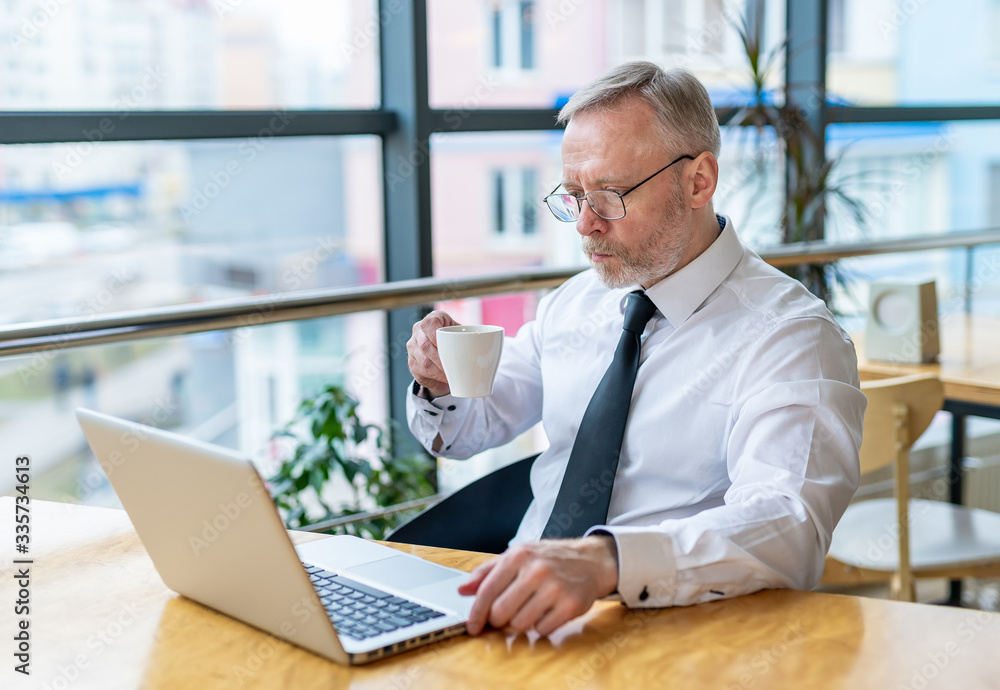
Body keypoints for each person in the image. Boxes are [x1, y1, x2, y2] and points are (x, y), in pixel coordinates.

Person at [405, 61, 866, 638]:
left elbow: (787, 526)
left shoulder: (791, 337)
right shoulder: (575, 302)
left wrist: (604, 563)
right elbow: (472, 428)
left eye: (610, 195)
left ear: (699, 181)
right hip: (516, 607)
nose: (585, 226)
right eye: (574, 197)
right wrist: (440, 384)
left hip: (680, 632)